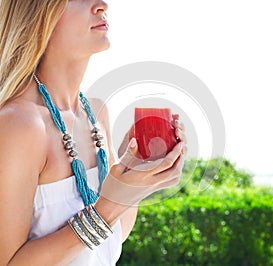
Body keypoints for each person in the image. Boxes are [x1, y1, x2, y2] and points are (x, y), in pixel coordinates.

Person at [0, 0, 187, 265]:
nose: (102, 4)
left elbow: (112, 237)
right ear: (38, 13)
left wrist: (133, 174)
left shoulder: (96, 114)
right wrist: (106, 207)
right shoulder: (20, 125)